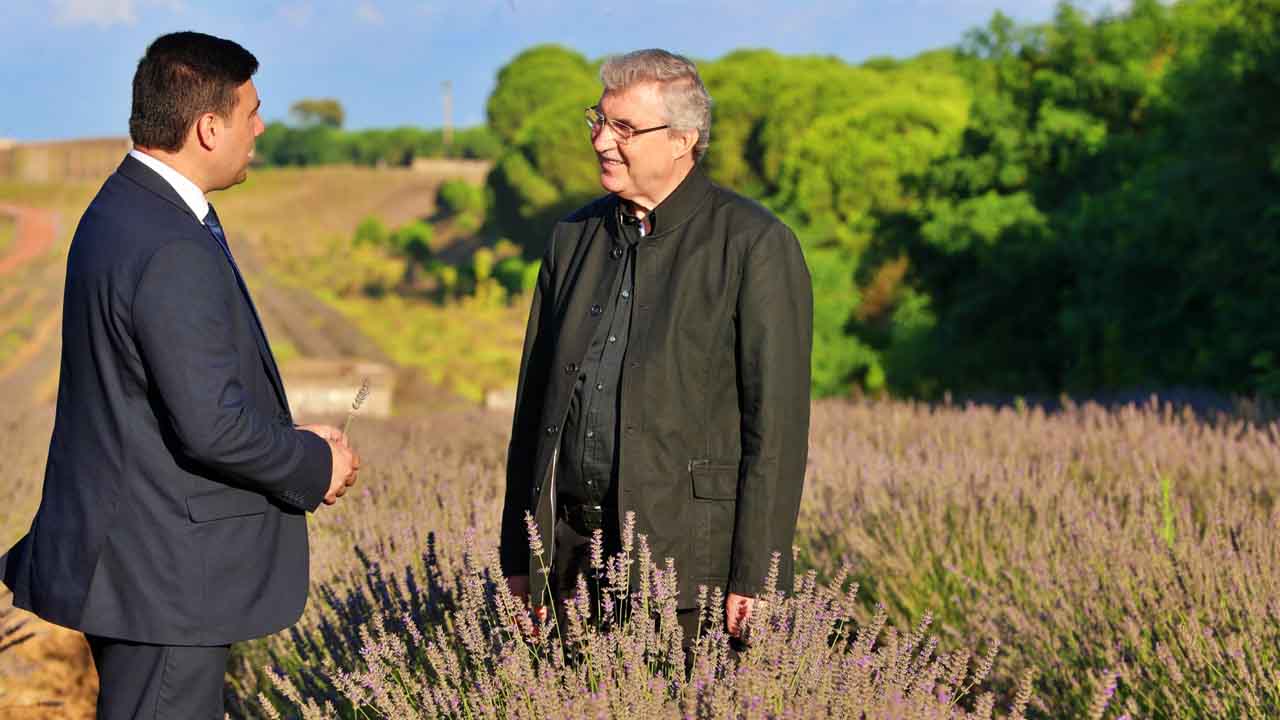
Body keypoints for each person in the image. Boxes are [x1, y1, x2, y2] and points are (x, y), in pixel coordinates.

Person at [0, 32, 359, 719]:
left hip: (135, 563)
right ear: (209, 128)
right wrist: (316, 462)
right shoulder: (170, 243)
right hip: (165, 578)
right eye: (252, 112)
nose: (261, 128)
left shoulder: (122, 210)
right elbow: (211, 425)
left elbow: (159, 397)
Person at [500, 49, 812, 649]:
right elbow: (533, 411)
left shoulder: (755, 244)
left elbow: (776, 429)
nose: (601, 141)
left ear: (681, 140)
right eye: (598, 120)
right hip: (569, 565)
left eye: (624, 128)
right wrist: (521, 554)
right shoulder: (571, 239)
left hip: (693, 571)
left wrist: (757, 574)